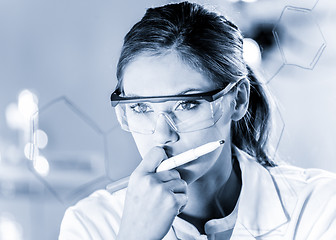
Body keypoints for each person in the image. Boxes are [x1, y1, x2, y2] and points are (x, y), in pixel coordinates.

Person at [59, 2, 336, 239]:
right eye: (141, 108)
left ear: (238, 100)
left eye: (187, 104)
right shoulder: (91, 224)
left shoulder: (319, 206)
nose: (162, 135)